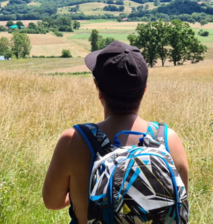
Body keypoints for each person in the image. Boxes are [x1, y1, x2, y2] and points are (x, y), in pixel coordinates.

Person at [42, 41, 189, 224]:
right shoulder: (168, 140)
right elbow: (179, 202)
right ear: (144, 90)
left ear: (99, 89)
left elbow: (52, 202)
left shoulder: (74, 141)